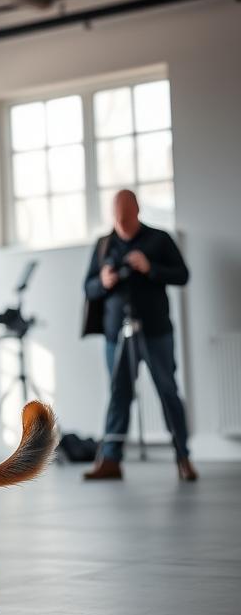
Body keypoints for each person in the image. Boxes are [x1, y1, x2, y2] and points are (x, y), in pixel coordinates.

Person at [82, 189, 197, 482]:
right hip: (115, 334)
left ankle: (183, 456)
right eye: (116, 217)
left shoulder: (158, 239)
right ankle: (110, 459)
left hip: (156, 331)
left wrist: (150, 268)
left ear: (136, 211)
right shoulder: (103, 245)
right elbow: (88, 288)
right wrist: (104, 281)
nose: (121, 222)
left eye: (125, 216)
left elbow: (182, 275)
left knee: (167, 391)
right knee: (119, 395)